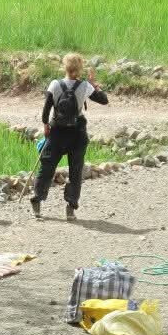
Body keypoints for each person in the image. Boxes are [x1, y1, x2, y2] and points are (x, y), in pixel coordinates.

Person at [30, 53, 109, 221]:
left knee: (47, 167)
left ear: (64, 67)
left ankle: (37, 200)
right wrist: (95, 85)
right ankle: (71, 207)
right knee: (75, 171)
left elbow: (45, 113)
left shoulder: (55, 84)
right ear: (80, 69)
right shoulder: (85, 86)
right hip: (77, 134)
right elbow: (104, 100)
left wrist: (46, 127)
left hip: (57, 132)